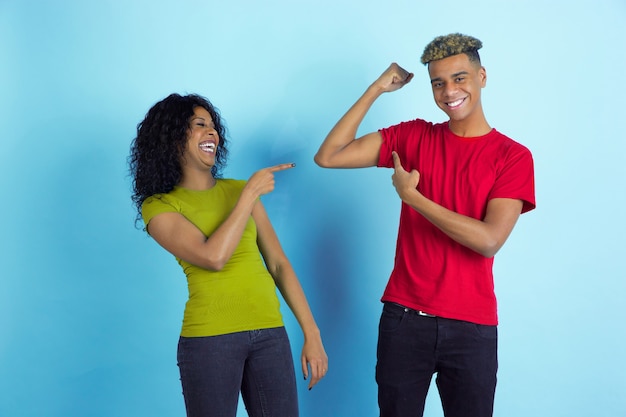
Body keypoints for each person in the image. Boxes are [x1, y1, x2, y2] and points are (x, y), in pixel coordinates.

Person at [314, 33, 535, 417]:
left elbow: (488, 240)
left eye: (460, 78)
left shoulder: (512, 156)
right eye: (438, 82)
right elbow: (329, 156)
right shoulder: (414, 136)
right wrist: (376, 89)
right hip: (405, 319)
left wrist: (414, 198)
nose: (449, 91)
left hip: (473, 327)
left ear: (482, 76)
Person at [129, 93, 328, 417]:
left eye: (213, 125)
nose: (212, 133)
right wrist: (250, 193)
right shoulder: (159, 206)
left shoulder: (237, 189)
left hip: (270, 334)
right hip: (210, 341)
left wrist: (312, 332)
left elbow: (278, 264)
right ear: (172, 135)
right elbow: (213, 257)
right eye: (199, 125)